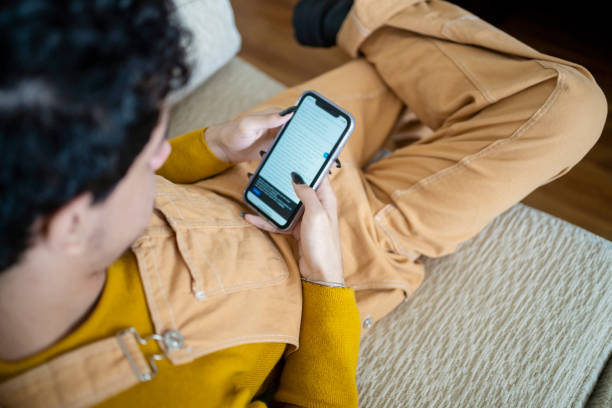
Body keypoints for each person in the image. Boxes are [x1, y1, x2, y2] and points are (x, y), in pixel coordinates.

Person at [0, 0, 606, 407]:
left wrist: (213, 142)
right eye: (148, 153)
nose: (163, 156)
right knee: (569, 101)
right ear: (72, 221)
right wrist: (325, 279)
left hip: (255, 166)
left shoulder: (30, 195)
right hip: (343, 262)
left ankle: (370, 30)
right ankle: (362, 15)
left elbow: (160, 175)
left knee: (401, 85)